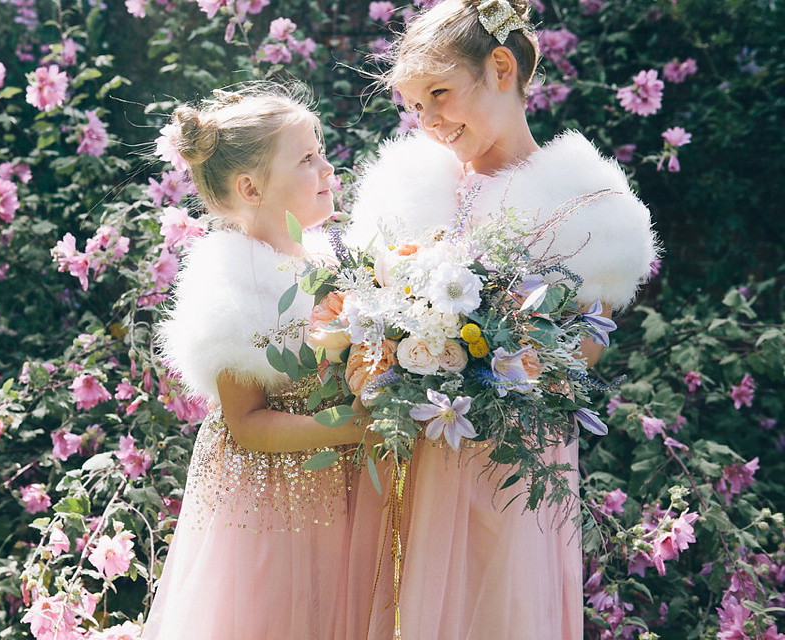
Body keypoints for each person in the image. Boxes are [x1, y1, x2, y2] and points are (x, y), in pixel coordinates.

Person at [343, 1, 658, 638]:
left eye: (440, 93)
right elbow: (364, 316)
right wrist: (384, 346)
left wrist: (502, 356)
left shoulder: (586, 208)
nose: (428, 121)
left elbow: (580, 354)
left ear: (503, 68)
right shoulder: (407, 191)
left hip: (511, 461)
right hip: (416, 450)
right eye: (414, 104)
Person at [143, 85, 370, 639]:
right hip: (271, 499)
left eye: (320, 150)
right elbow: (246, 424)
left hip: (337, 481)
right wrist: (351, 428)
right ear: (250, 187)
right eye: (306, 159)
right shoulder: (234, 286)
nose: (326, 167)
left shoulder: (333, 260)